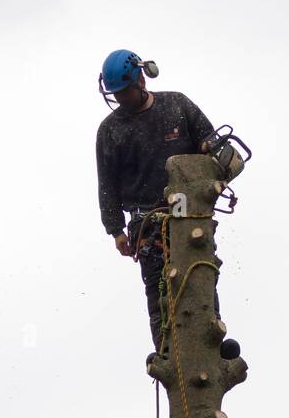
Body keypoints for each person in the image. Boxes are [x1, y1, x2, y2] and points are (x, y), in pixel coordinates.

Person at [95, 48, 240, 359]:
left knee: (200, 274)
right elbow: (107, 185)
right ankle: (167, 353)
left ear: (141, 79)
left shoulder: (176, 106)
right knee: (159, 288)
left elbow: (211, 144)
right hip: (146, 221)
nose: (121, 99)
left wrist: (220, 158)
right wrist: (115, 230)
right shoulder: (110, 131)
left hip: (190, 212)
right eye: (116, 94)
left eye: (125, 92)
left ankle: (210, 342)